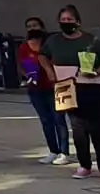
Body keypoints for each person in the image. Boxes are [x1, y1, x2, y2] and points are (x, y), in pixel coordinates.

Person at [39, 4, 100, 180]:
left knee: (97, 127)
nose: (66, 23)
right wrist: (50, 72)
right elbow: (42, 56)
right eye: (63, 20)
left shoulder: (91, 40)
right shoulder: (54, 41)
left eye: (70, 19)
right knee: (78, 128)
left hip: (93, 88)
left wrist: (95, 72)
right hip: (67, 88)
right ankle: (84, 165)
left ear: (78, 21)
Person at [19, 17, 70, 165]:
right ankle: (53, 151)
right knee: (46, 120)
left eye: (35, 25)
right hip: (36, 89)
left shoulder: (51, 43)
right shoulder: (24, 47)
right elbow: (22, 65)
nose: (32, 28)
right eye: (29, 26)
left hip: (55, 86)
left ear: (42, 26)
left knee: (59, 119)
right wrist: (28, 73)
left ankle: (64, 152)